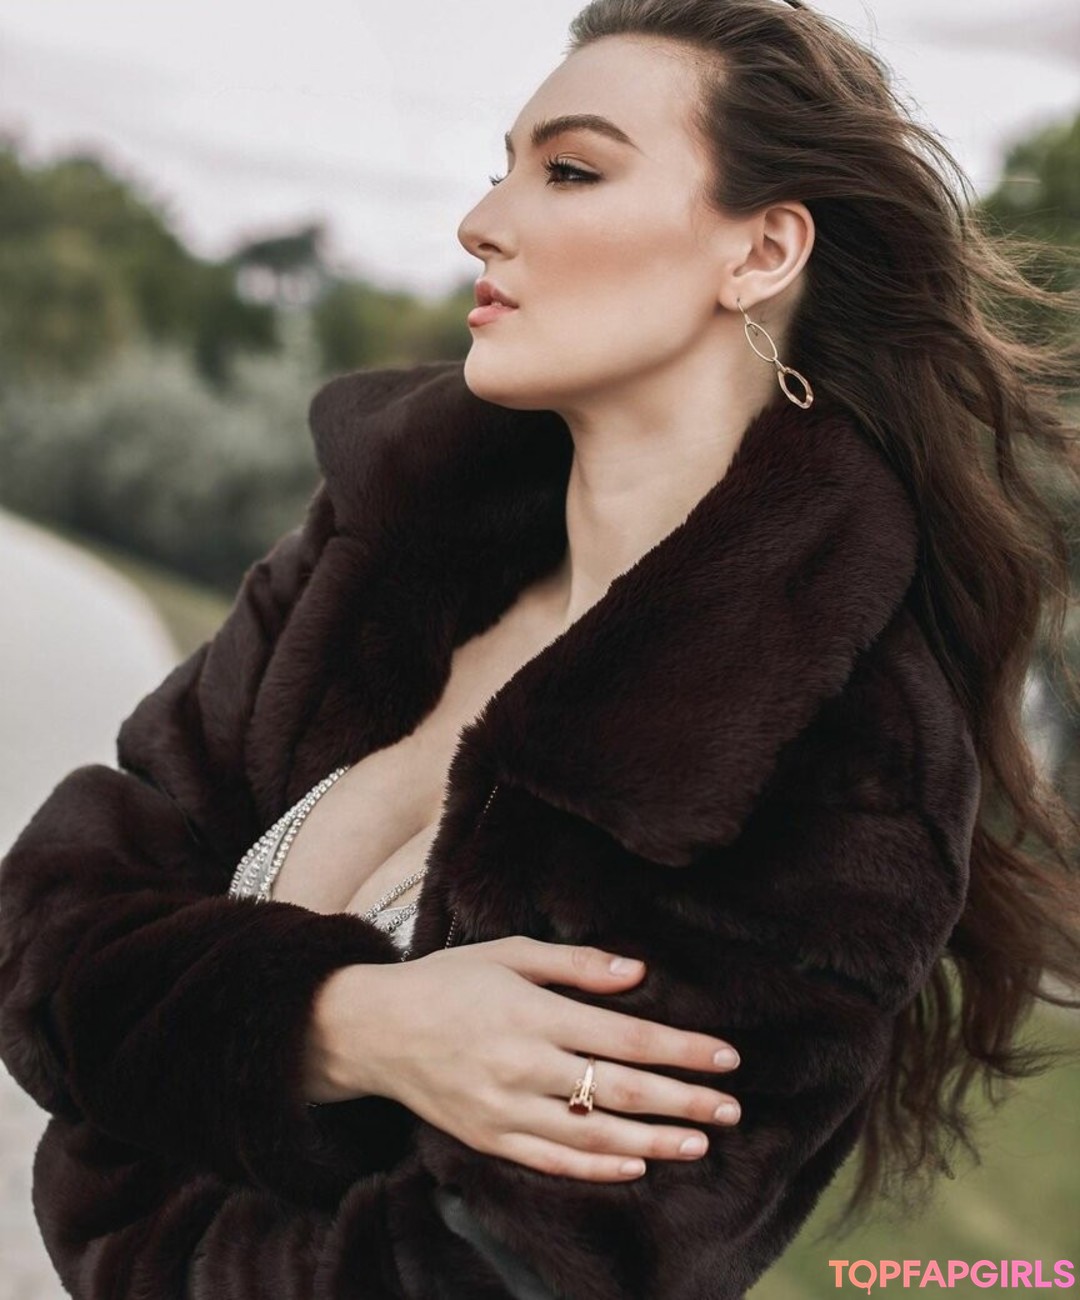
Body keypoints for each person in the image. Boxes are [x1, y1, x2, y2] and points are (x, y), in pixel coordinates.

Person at [1, 0, 1079, 1296]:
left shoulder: (843, 746)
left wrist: (139, 1103)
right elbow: (37, 925)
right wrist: (347, 1026)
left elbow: (510, 1271)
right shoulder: (378, 554)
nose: (481, 222)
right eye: (500, 167)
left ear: (761, 251)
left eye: (569, 170)